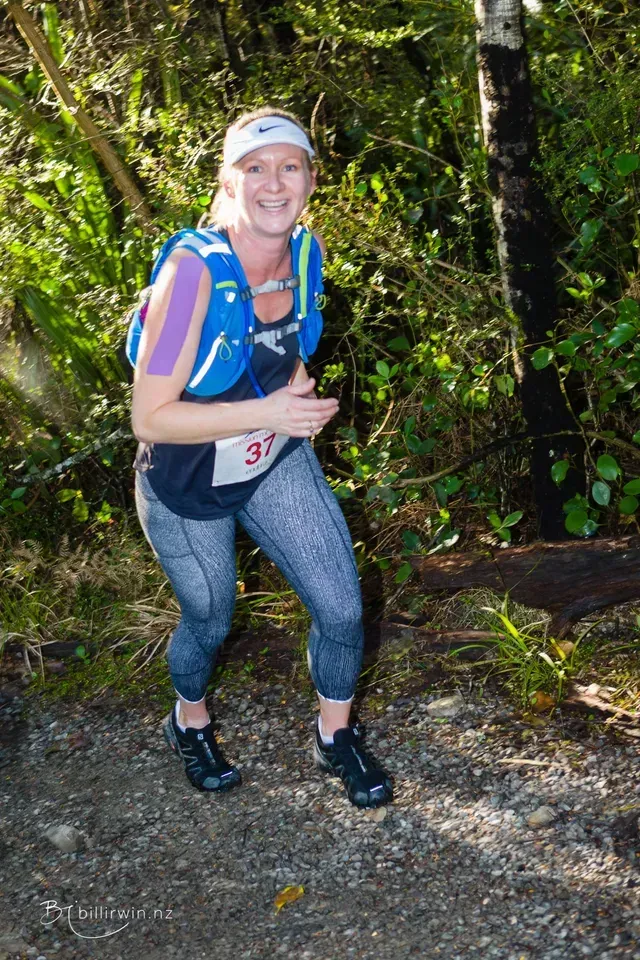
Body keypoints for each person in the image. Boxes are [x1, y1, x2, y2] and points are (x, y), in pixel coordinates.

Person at [131, 107, 392, 809]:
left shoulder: (305, 254)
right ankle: (188, 720)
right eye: (255, 167)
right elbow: (148, 416)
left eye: (290, 166)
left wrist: (295, 392)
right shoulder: (189, 276)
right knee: (210, 619)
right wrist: (271, 413)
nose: (274, 183)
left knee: (341, 607)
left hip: (272, 459)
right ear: (229, 182)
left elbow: (286, 348)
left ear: (310, 180)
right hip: (185, 481)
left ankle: (334, 735)